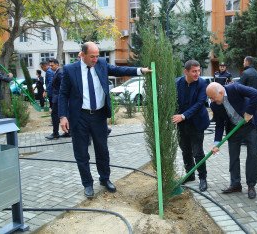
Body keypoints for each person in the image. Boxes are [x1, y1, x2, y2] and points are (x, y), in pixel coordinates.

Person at [58, 42, 152, 199]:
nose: (96, 59)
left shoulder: (101, 64)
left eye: (97, 56)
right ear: (82, 55)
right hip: (79, 117)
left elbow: (118, 70)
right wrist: (63, 116)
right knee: (81, 153)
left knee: (102, 150)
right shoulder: (70, 70)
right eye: (92, 56)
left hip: (99, 115)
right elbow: (63, 94)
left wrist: (140, 70)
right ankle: (87, 184)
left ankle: (105, 179)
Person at [207, 82, 257, 199]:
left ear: (221, 93)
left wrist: (249, 111)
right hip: (233, 128)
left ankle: (251, 185)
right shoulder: (214, 105)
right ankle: (235, 184)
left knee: (253, 154)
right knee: (233, 156)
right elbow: (219, 124)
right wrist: (217, 143)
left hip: (250, 126)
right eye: (209, 98)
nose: (211, 100)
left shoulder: (235, 88)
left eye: (212, 97)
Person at [173, 60, 210, 192]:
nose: (197, 74)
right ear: (186, 72)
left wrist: (183, 115)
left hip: (197, 123)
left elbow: (200, 103)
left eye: (198, 71)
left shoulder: (202, 83)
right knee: (185, 150)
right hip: (182, 124)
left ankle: (203, 178)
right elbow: (173, 101)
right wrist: (174, 115)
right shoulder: (177, 83)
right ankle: (190, 174)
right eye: (194, 71)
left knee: (198, 152)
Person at [45, 59, 62, 140]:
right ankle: (63, 131)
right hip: (56, 97)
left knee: (55, 115)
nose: (51, 67)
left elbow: (62, 87)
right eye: (50, 65)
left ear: (57, 65)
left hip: (58, 97)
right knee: (55, 115)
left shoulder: (59, 73)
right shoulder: (56, 73)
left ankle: (56, 133)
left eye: (52, 65)